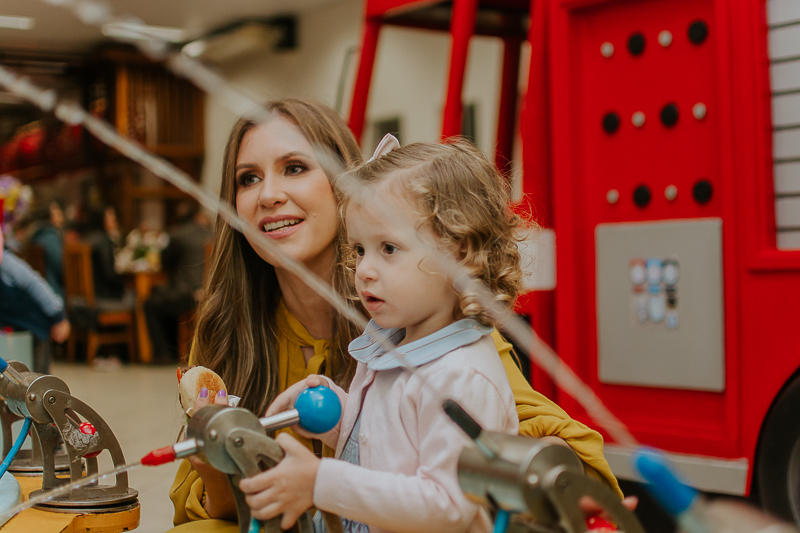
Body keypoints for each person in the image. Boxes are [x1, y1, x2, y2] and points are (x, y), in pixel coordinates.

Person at [168, 99, 621, 532]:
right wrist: (228, 444)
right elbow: (379, 437)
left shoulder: (443, 335)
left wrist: (532, 478)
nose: (268, 194)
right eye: (248, 178)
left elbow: (530, 453)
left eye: (295, 167)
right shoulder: (230, 329)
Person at [240, 138, 525, 532]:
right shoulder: (398, 343)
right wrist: (337, 416)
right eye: (359, 250)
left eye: (388, 248)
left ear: (457, 254)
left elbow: (447, 507)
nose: (364, 270)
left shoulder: (460, 376)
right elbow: (390, 441)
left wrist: (322, 482)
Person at [143, 202, 212, 363]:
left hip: (188, 293)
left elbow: (163, 261)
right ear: (195, 216)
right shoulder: (210, 234)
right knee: (164, 297)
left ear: (176, 219)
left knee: (150, 304)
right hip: (208, 292)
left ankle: (163, 354)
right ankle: (176, 350)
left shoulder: (176, 236)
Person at [0, 229, 70, 373]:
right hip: (14, 327)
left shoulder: (8, 264)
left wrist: (58, 318)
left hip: (36, 325)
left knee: (38, 374)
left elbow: (38, 286)